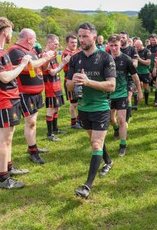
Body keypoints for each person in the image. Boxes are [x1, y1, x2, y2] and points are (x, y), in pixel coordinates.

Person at [66, 22, 116, 199]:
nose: (81, 39)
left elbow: (111, 86)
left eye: (85, 36)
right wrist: (74, 80)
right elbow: (68, 85)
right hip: (83, 108)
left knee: (96, 143)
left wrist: (88, 82)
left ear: (94, 37)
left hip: (101, 107)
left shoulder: (105, 58)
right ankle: (108, 161)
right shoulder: (75, 58)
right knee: (96, 142)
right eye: (79, 36)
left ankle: (87, 186)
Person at [0, 17, 31, 189]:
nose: (12, 35)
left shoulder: (1, 51)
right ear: (5, 31)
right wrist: (23, 64)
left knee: (9, 137)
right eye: (11, 31)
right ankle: (3, 179)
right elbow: (5, 77)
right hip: (3, 99)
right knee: (4, 139)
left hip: (11, 97)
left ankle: (9, 168)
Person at [8, 28, 55, 164]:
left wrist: (46, 60)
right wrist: (44, 58)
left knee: (33, 122)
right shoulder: (15, 50)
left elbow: (42, 68)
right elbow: (28, 66)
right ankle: (33, 151)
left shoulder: (31, 51)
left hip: (35, 92)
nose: (35, 42)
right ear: (29, 39)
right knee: (31, 122)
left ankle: (33, 147)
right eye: (34, 39)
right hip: (25, 93)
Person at [107, 34, 142, 156]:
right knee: (111, 119)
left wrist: (140, 91)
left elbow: (135, 77)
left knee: (122, 119)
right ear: (108, 46)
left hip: (122, 93)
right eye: (111, 46)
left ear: (120, 45)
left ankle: (123, 145)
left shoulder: (126, 59)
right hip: (109, 94)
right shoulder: (105, 59)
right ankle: (116, 129)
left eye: (116, 45)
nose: (114, 48)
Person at [41, 34, 69, 142]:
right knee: (51, 108)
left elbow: (56, 70)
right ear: (49, 42)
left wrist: (60, 65)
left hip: (56, 85)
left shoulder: (53, 55)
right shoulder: (44, 55)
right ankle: (49, 133)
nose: (57, 46)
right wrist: (63, 63)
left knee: (57, 108)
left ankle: (55, 129)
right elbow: (52, 72)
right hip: (50, 86)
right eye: (55, 44)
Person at [62, 33, 82, 129]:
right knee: (73, 103)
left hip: (78, 80)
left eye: (75, 42)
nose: (74, 44)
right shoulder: (66, 54)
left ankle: (79, 120)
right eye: (72, 42)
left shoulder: (77, 51)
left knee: (80, 101)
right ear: (67, 43)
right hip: (70, 81)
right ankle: (74, 123)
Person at [119, 31, 139, 119]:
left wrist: (127, 62)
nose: (121, 39)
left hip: (129, 77)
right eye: (120, 37)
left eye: (123, 37)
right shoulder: (116, 48)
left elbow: (135, 63)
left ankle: (126, 120)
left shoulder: (132, 49)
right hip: (118, 77)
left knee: (128, 97)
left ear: (127, 39)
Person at [134, 40, 152, 106]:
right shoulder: (134, 51)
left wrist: (139, 59)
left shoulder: (147, 51)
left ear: (141, 45)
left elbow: (148, 62)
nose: (136, 48)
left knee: (146, 87)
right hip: (136, 72)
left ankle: (146, 102)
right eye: (135, 47)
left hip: (145, 72)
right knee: (135, 88)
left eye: (138, 47)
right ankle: (135, 104)